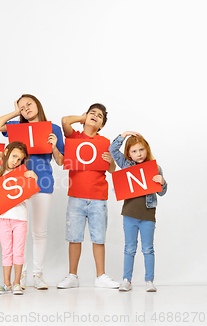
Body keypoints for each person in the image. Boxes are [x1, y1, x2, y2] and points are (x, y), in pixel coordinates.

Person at [0, 94, 64, 289]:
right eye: (22, 107)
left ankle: (37, 275)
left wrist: (55, 146)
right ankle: (20, 275)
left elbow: (60, 161)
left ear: (38, 104)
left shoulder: (54, 128)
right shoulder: (17, 127)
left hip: (43, 181)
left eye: (29, 104)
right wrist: (16, 112)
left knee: (39, 231)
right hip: (17, 183)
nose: (26, 109)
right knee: (18, 233)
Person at [57, 103, 119, 289]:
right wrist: (82, 117)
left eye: (99, 116)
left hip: (98, 197)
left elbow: (112, 169)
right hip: (76, 196)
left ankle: (101, 276)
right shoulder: (75, 137)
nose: (95, 116)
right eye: (93, 113)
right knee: (74, 237)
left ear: (101, 125)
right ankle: (72, 276)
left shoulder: (105, 142)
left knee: (98, 238)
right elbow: (65, 121)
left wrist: (110, 162)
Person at [109, 132, 167, 292]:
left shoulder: (155, 168)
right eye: (134, 151)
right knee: (129, 248)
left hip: (148, 214)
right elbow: (112, 149)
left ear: (147, 150)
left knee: (148, 249)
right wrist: (124, 135)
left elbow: (161, 192)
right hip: (129, 214)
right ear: (128, 153)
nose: (139, 154)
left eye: (141, 150)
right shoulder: (127, 165)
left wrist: (162, 182)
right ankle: (126, 280)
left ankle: (149, 281)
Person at [0, 141, 38, 295]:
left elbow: (30, 193)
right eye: (14, 156)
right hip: (3, 217)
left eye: (19, 159)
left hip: (19, 218)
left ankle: (17, 283)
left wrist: (34, 177)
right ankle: (6, 284)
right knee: (7, 251)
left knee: (18, 251)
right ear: (6, 152)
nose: (15, 161)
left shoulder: (23, 173)